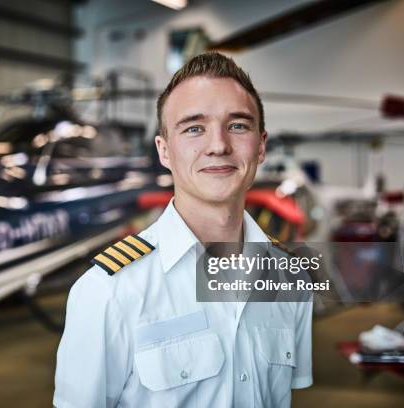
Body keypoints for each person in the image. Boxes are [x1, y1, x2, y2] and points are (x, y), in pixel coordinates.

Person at [53, 52, 313, 407]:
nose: (218, 145)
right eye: (194, 128)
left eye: (237, 125)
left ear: (261, 146)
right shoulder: (109, 291)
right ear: (164, 151)